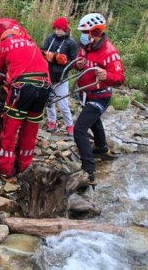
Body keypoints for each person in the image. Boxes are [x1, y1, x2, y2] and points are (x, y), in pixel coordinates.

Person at [0, 28, 51, 181]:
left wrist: (0, 81)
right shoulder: (32, 44)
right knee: (30, 130)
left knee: (9, 130)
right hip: (44, 88)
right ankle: (23, 166)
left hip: (22, 89)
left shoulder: (5, 44)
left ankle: (5, 170)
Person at [74, 13, 125, 187]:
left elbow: (119, 78)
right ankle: (102, 148)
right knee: (94, 121)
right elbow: (78, 63)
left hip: (100, 96)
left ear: (96, 32)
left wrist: (107, 75)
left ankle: (89, 170)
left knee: (79, 130)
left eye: (85, 31)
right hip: (85, 93)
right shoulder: (84, 46)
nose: (82, 35)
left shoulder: (109, 52)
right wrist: (77, 65)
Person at [42, 17, 78, 136]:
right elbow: (42, 52)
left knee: (63, 104)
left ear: (65, 29)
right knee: (49, 101)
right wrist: (53, 57)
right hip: (48, 75)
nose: (57, 31)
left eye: (59, 29)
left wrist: (64, 64)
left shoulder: (71, 43)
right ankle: (52, 122)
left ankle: (69, 125)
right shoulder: (50, 38)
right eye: (55, 29)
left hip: (62, 78)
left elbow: (73, 62)